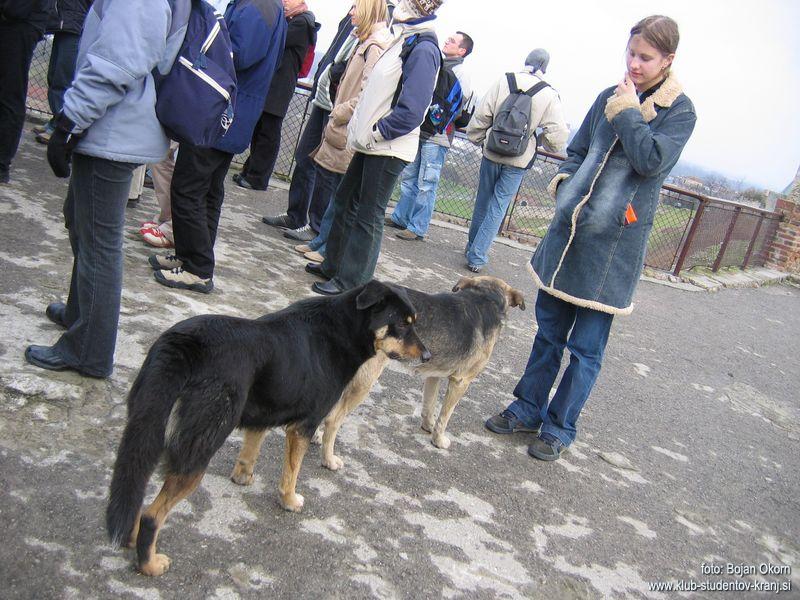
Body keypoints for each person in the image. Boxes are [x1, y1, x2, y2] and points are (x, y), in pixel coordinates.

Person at [485, 16, 696, 461]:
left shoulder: (680, 112)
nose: (634, 64)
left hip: (615, 246)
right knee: (549, 332)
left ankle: (559, 427)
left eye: (646, 57)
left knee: (585, 349)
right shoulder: (606, 95)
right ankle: (527, 408)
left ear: (668, 60)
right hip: (570, 234)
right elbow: (578, 150)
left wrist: (628, 112)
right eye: (631, 53)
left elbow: (650, 161)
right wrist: (565, 187)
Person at [24, 0, 193, 378]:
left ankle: (89, 350)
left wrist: (70, 120)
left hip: (113, 127)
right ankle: (81, 314)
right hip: (112, 125)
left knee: (99, 243)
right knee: (82, 223)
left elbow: (117, 62)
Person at [308, 0, 443, 296]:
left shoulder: (423, 47)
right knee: (346, 201)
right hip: (372, 142)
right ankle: (335, 266)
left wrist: (378, 132)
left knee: (368, 214)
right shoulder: (405, 38)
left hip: (387, 146)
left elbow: (413, 109)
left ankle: (352, 283)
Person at [151, 0, 287, 293]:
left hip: (218, 109)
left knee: (188, 188)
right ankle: (191, 256)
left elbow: (237, 54)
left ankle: (197, 268)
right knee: (208, 192)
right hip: (233, 111)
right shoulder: (267, 6)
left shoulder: (259, 6)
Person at [294, 0, 392, 262]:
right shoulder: (366, 41)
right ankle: (321, 241)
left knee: (340, 193)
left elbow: (368, 92)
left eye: (356, 7)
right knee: (336, 190)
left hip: (348, 126)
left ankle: (328, 248)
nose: (351, 12)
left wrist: (341, 112)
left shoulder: (375, 45)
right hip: (344, 124)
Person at [464, 48, 568, 272]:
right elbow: (557, 136)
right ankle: (477, 257)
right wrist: (538, 140)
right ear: (545, 67)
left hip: (492, 152)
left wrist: (478, 138)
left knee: (482, 201)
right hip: (518, 159)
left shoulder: (505, 80)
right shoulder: (548, 93)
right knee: (498, 206)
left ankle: (471, 248)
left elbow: (482, 113)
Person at [260, 8, 358, 240]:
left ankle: (316, 227)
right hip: (322, 99)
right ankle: (296, 216)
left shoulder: (379, 15)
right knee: (304, 157)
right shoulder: (350, 17)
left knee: (325, 166)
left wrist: (333, 75)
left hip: (337, 104)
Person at [387, 31, 475, 241]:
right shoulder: (441, 64)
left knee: (427, 183)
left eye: (452, 41)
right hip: (423, 130)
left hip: (438, 135)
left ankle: (417, 227)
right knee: (410, 177)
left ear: (462, 51)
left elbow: (459, 108)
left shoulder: (462, 74)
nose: (447, 41)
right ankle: (401, 217)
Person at [233, 0, 318, 191]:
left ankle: (258, 178)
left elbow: (276, 38)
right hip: (277, 85)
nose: (284, 2)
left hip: (279, 86)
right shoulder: (298, 20)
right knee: (262, 130)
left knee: (268, 132)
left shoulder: (302, 22)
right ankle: (250, 172)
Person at [0, 0, 52, 184]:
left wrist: (10, 10)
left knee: (11, 92)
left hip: (20, 21)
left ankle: (2, 164)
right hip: (14, 18)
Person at [33, 0, 91, 144]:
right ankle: (55, 120)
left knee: (63, 81)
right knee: (54, 76)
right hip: (63, 25)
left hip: (75, 25)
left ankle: (61, 129)